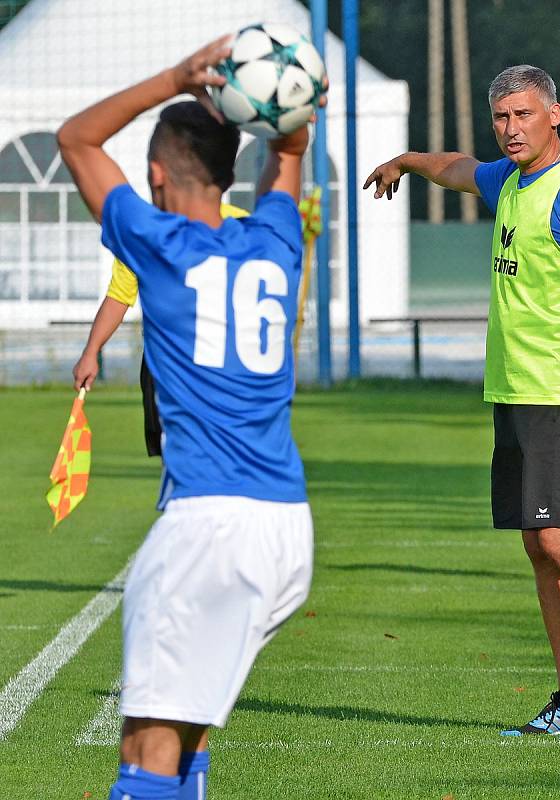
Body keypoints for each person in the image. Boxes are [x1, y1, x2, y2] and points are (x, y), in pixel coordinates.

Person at [363, 65, 560, 740]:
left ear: (555, 114)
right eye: (501, 117)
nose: (511, 129)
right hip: (519, 390)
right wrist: (407, 161)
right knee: (539, 542)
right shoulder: (510, 179)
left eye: (524, 115)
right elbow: (457, 168)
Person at [58, 36, 323, 798]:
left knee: (146, 748)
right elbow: (287, 165)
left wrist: (174, 79)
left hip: (208, 524)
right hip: (285, 527)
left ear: (154, 174)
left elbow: (75, 137)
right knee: (191, 730)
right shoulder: (276, 242)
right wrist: (292, 128)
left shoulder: (157, 243)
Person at [72, 203, 248, 456]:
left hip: (189, 360)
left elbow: (118, 297)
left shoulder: (147, 229)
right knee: (187, 453)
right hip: (186, 360)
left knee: (196, 454)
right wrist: (91, 352)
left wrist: (91, 352)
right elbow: (119, 296)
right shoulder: (243, 224)